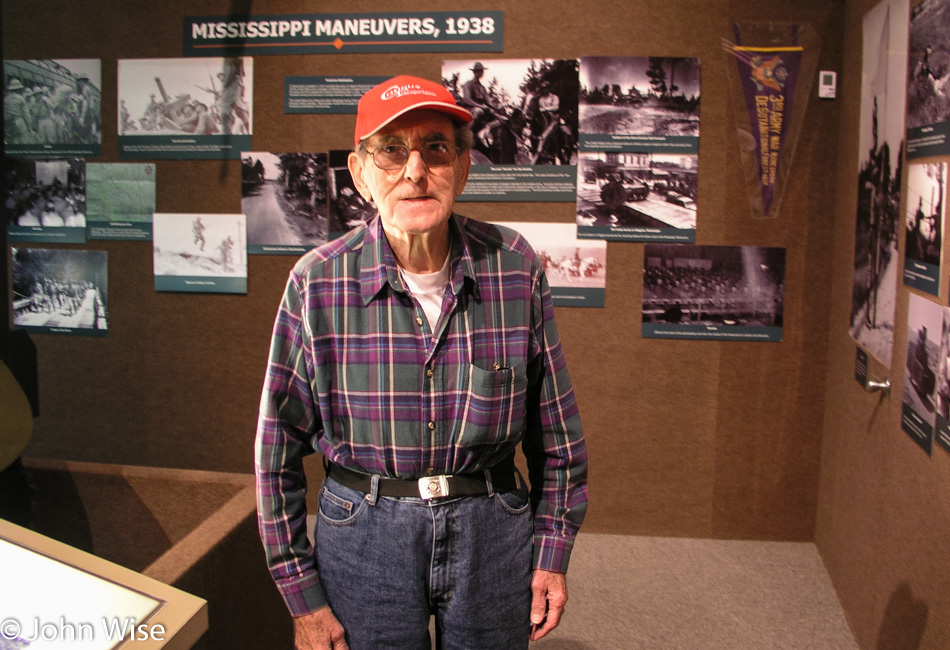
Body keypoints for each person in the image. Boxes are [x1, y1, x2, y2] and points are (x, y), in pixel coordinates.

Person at [255, 75, 588, 650]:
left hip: (491, 527)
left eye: (435, 148)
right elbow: (276, 451)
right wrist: (301, 596)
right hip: (364, 532)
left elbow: (556, 434)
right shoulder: (317, 281)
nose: (414, 171)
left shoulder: (513, 266)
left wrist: (553, 552)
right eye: (391, 151)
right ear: (360, 174)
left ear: (462, 166)